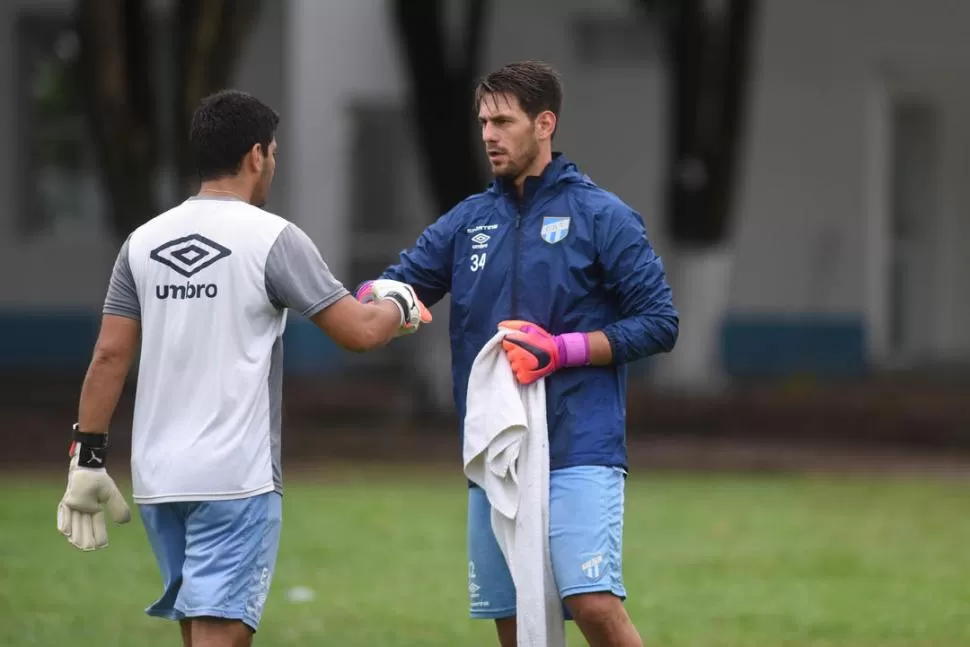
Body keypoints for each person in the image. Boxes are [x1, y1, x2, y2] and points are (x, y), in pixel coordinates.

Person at [55, 89, 430, 647]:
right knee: (221, 635)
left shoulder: (142, 242)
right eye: (273, 154)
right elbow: (358, 332)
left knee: (198, 631)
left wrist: (87, 459)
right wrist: (399, 301)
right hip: (236, 478)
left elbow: (109, 355)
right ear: (257, 155)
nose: (273, 165)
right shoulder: (272, 237)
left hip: (160, 479)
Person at [357, 61, 679, 647]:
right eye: (483, 121)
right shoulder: (468, 222)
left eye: (503, 120)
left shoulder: (602, 216)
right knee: (514, 622)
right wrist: (369, 305)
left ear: (545, 123)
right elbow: (398, 285)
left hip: (579, 442)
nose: (488, 134)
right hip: (496, 450)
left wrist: (562, 350)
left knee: (594, 605)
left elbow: (660, 323)